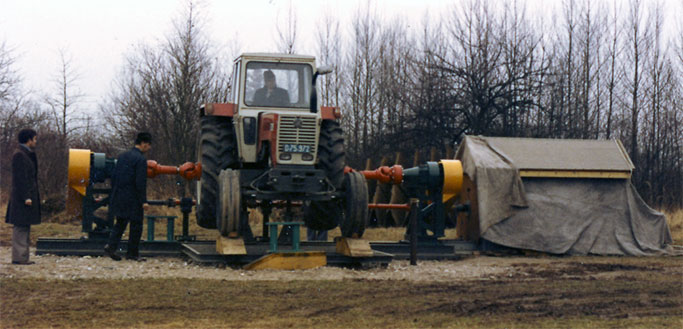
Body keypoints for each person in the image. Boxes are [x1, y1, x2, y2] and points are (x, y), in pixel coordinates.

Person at [104, 132, 152, 261]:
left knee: (120, 223)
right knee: (136, 225)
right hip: (133, 197)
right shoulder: (141, 160)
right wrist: (144, 201)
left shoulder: (122, 156)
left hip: (119, 194)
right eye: (148, 146)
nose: (148, 148)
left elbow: (114, 176)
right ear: (143, 144)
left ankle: (111, 246)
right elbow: (140, 182)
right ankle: (132, 253)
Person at [6, 128, 41, 265]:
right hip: (22, 198)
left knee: (24, 226)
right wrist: (26, 196)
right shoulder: (19, 155)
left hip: (25, 197)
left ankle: (23, 256)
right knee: (20, 226)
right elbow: (20, 179)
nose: (36, 141)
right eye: (35, 139)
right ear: (29, 139)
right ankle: (19, 257)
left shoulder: (26, 154)